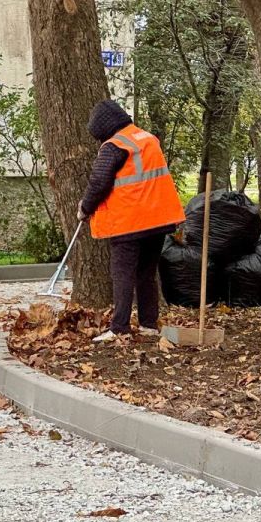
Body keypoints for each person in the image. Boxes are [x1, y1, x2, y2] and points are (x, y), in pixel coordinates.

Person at [77, 100, 186, 343]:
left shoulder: (114, 146)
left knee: (123, 274)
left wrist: (85, 208)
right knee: (147, 274)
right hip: (158, 219)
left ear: (104, 128)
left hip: (130, 221)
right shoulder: (147, 138)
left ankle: (119, 327)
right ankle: (148, 324)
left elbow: (99, 182)